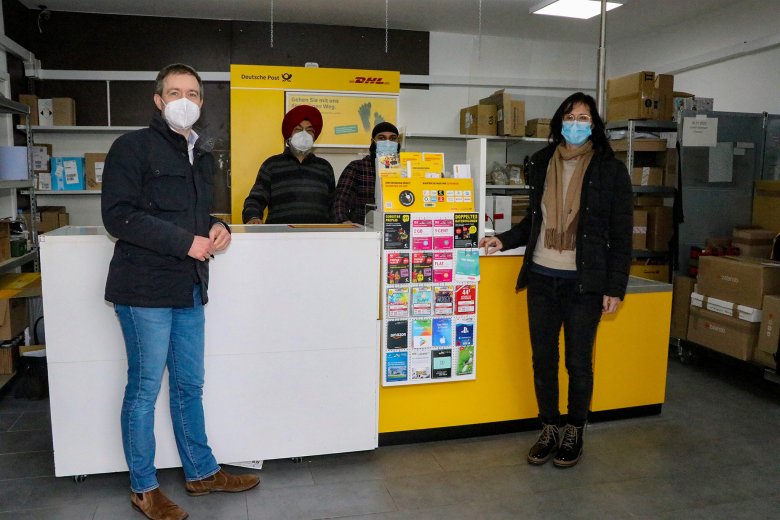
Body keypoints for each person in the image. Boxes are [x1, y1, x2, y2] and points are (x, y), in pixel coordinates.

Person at [102, 63, 260, 520]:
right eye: (174, 92)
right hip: (144, 289)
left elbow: (197, 215)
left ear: (202, 103)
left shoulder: (201, 155)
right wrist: (185, 242)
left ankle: (201, 473)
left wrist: (217, 226)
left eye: (192, 93)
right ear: (158, 100)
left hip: (189, 287)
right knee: (144, 390)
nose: (184, 100)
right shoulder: (131, 147)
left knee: (190, 385)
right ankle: (143, 487)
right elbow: (118, 216)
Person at [479, 92, 632, 468]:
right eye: (570, 116)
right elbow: (534, 219)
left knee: (578, 363)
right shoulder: (541, 161)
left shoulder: (610, 170)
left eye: (584, 117)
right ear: (560, 121)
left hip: (585, 283)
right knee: (543, 360)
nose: (576, 123)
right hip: (542, 277)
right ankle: (548, 427)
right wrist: (503, 239)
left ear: (594, 124)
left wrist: (615, 287)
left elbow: (622, 233)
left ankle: (574, 430)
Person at [242, 105, 335, 224]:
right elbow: (256, 199)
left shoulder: (325, 167)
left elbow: (334, 205)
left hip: (319, 234)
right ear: (289, 135)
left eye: (309, 130)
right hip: (279, 235)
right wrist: (253, 217)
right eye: (298, 129)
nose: (304, 134)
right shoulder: (271, 165)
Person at [333, 121, 399, 224]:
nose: (387, 142)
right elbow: (339, 202)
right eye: (381, 138)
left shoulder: (403, 169)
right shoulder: (356, 167)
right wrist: (345, 223)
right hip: (363, 229)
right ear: (373, 141)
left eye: (392, 138)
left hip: (396, 225)